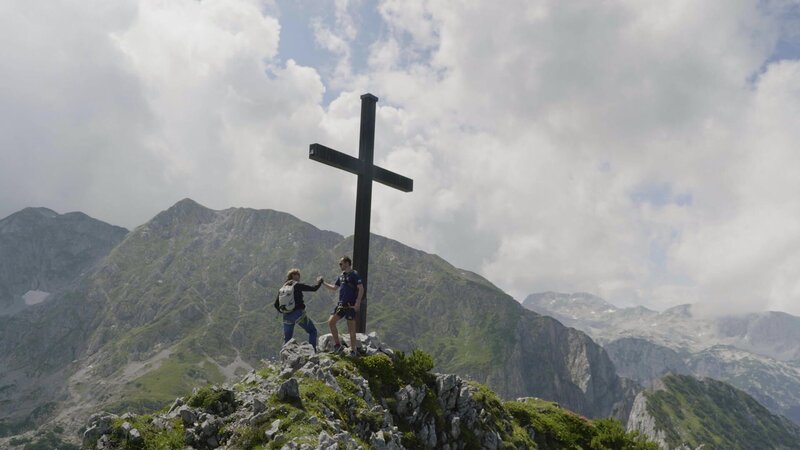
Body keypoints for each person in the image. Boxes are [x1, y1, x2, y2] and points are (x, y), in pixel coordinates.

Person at [322, 256, 363, 356]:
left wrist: (358, 302)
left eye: (341, 263)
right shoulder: (341, 276)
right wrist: (323, 283)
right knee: (331, 322)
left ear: (347, 263)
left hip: (350, 306)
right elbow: (334, 288)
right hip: (341, 304)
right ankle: (338, 345)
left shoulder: (354, 274)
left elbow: (361, 288)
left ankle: (353, 350)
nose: (340, 265)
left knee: (351, 329)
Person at [275, 268, 323, 352]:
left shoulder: (283, 288)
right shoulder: (297, 285)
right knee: (312, 331)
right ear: (293, 275)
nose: (299, 277)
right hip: (298, 314)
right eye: (298, 275)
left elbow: (276, 305)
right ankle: (312, 353)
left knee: (287, 340)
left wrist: (286, 311)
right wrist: (320, 282)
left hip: (286, 316)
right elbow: (314, 288)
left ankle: (285, 358)